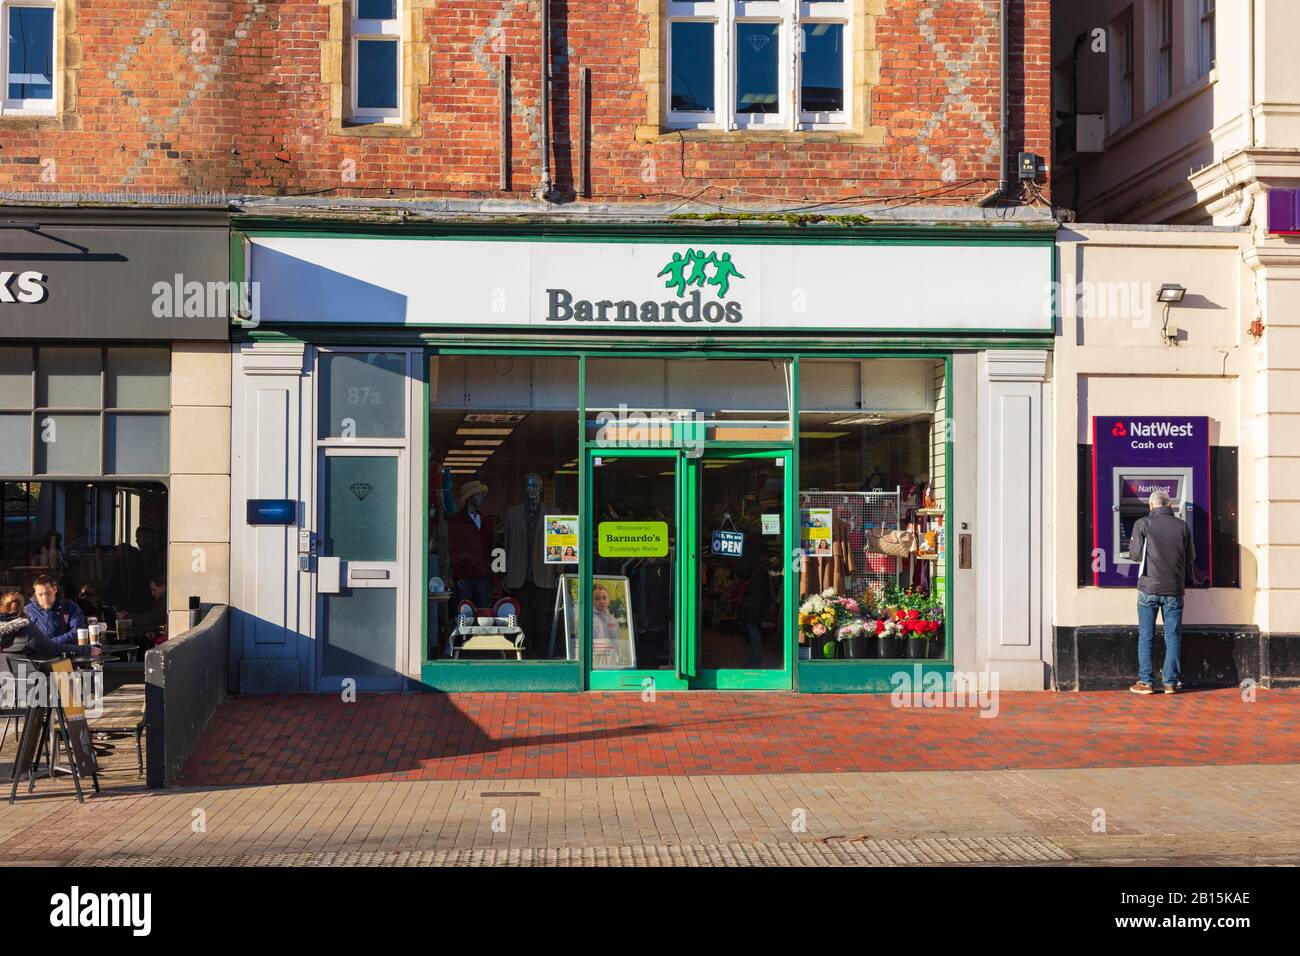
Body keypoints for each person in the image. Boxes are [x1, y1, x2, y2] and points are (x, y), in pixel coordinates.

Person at [1129, 489, 1195, 695]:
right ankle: (1170, 683)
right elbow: (1191, 557)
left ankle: (1147, 683)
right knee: (1173, 636)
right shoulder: (1183, 526)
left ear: (1151, 506)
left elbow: (1134, 555)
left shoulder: (1143, 523)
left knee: (1146, 636)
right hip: (1174, 589)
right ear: (1169, 505)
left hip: (1149, 587)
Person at [22, 575, 95, 658]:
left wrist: (49, 644)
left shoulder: (70, 607)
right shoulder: (28, 611)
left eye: (48, 593)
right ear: (35, 593)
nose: (44, 598)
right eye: (40, 595)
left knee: (66, 670)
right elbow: (23, 639)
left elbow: (78, 632)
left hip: (64, 656)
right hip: (36, 660)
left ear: (55, 589)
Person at [448, 480, 493, 611]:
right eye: (478, 494)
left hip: (483, 577)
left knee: (483, 614)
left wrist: (490, 575)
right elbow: (453, 550)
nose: (481, 497)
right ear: (469, 498)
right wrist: (458, 575)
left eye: (482, 494)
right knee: (464, 615)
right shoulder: (456, 521)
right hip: (464, 577)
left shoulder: (486, 521)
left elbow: (490, 548)